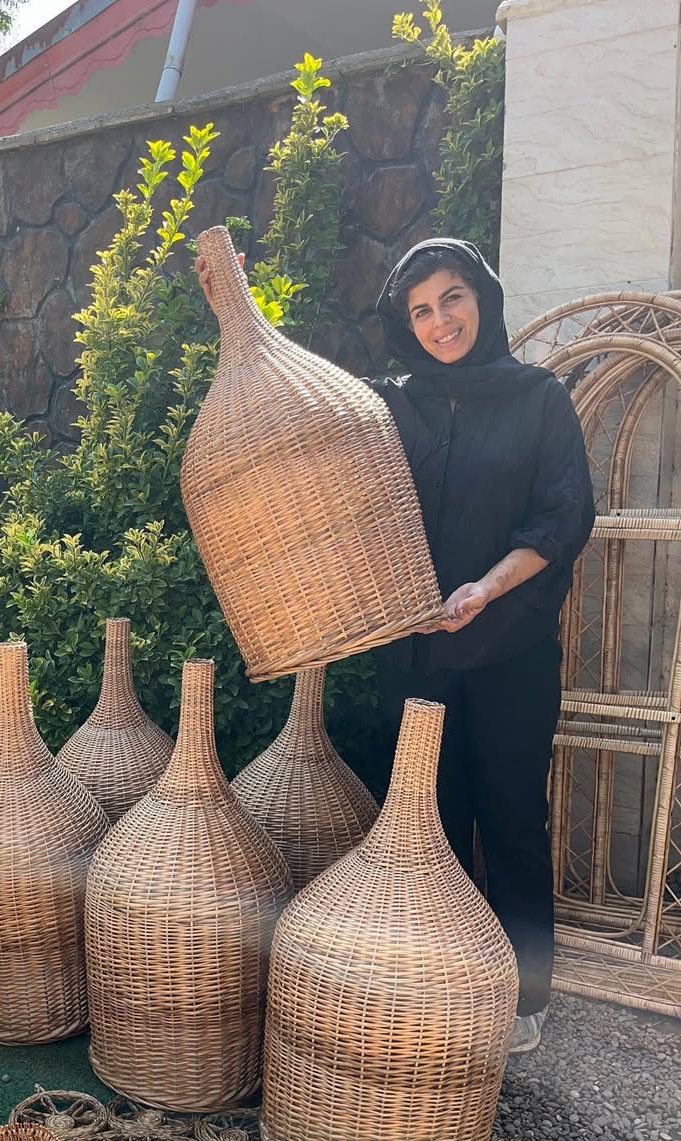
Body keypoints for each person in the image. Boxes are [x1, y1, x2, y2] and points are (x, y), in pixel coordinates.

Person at [196, 238, 594, 1054]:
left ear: (482, 298)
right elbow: (299, 403)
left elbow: (563, 518)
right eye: (420, 310)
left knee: (513, 817)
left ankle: (523, 999)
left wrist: (484, 589)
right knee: (424, 824)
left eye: (452, 298)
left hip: (511, 651)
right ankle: (439, 981)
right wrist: (234, 304)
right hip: (414, 657)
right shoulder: (384, 407)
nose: (440, 321)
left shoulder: (539, 399)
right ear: (403, 323)